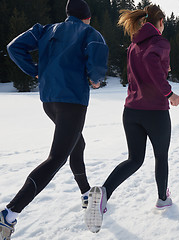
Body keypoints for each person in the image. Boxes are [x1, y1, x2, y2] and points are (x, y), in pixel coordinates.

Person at [0, 0, 108, 239]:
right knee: (56, 158)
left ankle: (85, 195)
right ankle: (9, 214)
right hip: (72, 102)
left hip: (49, 101)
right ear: (87, 17)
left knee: (77, 144)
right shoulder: (90, 33)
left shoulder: (45, 29)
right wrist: (95, 78)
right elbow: (97, 62)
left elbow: (13, 47)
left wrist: (35, 69)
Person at [84, 4, 179, 233]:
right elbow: (153, 69)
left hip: (131, 111)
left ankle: (104, 193)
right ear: (159, 22)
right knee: (161, 156)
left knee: (134, 159)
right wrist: (170, 93)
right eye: (163, 22)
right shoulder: (160, 43)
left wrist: (162, 69)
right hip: (155, 111)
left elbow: (146, 69)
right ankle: (162, 198)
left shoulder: (133, 45)